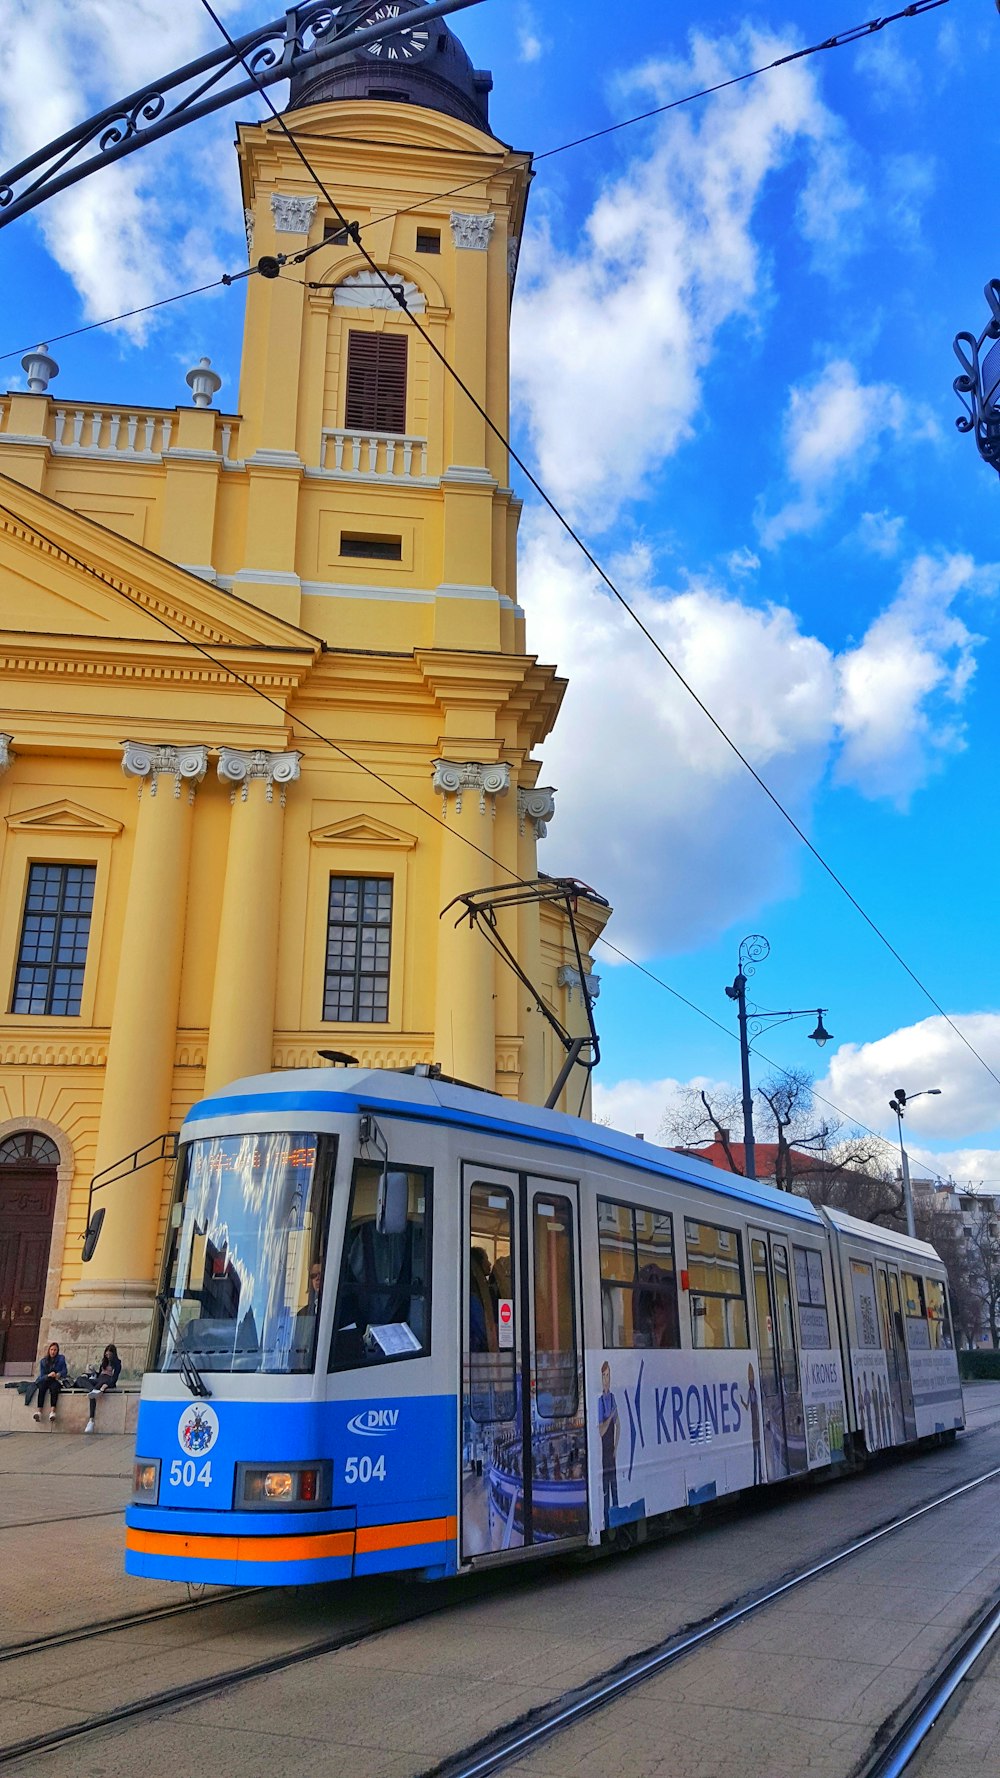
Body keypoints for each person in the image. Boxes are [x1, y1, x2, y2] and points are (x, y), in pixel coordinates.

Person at [597, 1361, 620, 1530]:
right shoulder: (601, 1401)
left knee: (615, 1487)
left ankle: (616, 1519)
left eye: (608, 1375)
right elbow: (601, 1430)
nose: (607, 1379)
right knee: (606, 1488)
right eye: (604, 1375)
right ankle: (606, 1520)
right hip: (604, 1452)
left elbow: (618, 1424)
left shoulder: (613, 1398)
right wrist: (611, 1415)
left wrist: (616, 1448)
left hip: (611, 1451)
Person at [85, 1344, 121, 1433]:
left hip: (107, 1380)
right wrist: (93, 1371)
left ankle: (91, 1420)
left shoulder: (117, 1364)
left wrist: (106, 1385)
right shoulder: (104, 1362)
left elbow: (114, 1379)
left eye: (110, 1355)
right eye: (106, 1355)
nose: (108, 1357)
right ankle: (92, 1389)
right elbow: (100, 1374)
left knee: (93, 1395)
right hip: (99, 1379)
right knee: (81, 1378)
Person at [31, 1342, 67, 1423]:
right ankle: (39, 1411)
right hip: (46, 1379)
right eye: (51, 1350)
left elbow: (65, 1371)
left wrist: (58, 1374)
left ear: (57, 1351)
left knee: (54, 1389)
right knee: (41, 1388)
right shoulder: (43, 1361)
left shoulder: (61, 1359)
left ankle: (52, 1412)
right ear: (49, 1350)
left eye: (55, 1350)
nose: (53, 1352)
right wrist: (48, 1375)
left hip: (56, 1380)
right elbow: (41, 1376)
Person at [741, 1362, 763, 1485]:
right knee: (756, 1446)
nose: (751, 1380)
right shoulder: (752, 1391)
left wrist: (743, 1402)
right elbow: (748, 1405)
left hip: (755, 1421)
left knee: (757, 1446)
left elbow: (749, 1405)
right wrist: (741, 1401)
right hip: (754, 1421)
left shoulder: (752, 1390)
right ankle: (757, 1474)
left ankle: (758, 1473)